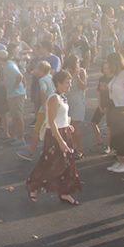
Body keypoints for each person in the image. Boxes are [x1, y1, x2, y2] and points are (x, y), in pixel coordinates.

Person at [26, 69, 81, 205]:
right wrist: (61, 141)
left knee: (67, 164)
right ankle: (33, 186)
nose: (70, 85)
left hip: (64, 132)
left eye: (70, 82)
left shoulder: (62, 96)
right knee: (49, 163)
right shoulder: (54, 98)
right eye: (67, 83)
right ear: (58, 83)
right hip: (55, 135)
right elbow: (51, 122)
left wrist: (67, 125)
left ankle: (64, 193)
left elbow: (60, 117)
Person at [106, 52, 124, 173]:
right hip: (115, 107)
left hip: (123, 107)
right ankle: (119, 161)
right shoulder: (116, 75)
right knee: (117, 136)